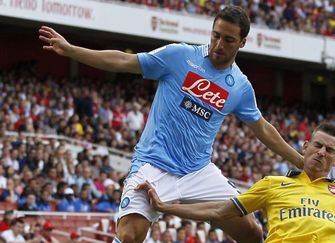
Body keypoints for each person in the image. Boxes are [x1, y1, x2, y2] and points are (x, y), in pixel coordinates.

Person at [38, 5, 304, 243]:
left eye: (228, 39)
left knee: (253, 234)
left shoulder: (240, 87)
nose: (219, 44)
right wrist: (72, 51)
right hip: (153, 164)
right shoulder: (179, 56)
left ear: (242, 42)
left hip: (198, 172)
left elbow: (263, 129)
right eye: (216, 35)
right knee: (129, 235)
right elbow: (122, 60)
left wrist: (302, 162)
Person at [138, 123, 335, 242]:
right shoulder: (272, 184)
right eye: (317, 146)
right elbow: (220, 212)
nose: (321, 153)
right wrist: (167, 206)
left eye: (330, 150)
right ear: (305, 147)